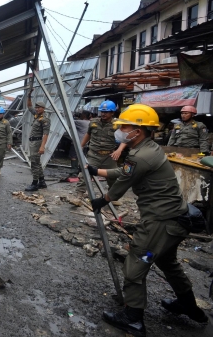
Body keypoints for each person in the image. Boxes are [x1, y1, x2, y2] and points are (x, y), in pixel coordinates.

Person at [86, 104, 208, 336]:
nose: (120, 130)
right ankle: (189, 306)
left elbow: (120, 186)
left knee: (135, 264)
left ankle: (133, 318)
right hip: (175, 217)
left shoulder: (141, 156)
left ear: (138, 131)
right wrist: (97, 171)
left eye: (124, 126)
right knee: (167, 263)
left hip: (161, 221)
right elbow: (126, 173)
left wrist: (103, 200)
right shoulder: (148, 149)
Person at [79, 100, 125, 190]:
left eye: (106, 112)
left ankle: (112, 197)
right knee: (85, 174)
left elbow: (125, 139)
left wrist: (119, 150)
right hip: (93, 154)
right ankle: (79, 194)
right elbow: (88, 134)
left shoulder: (117, 125)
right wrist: (81, 146)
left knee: (113, 177)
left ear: (112, 113)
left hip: (109, 156)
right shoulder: (93, 122)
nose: (103, 114)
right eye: (102, 111)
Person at [24, 95, 50, 192]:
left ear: (43, 108)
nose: (37, 109)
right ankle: (42, 182)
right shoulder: (37, 115)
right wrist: (29, 96)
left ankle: (35, 183)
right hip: (33, 142)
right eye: (36, 107)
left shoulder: (45, 119)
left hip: (37, 142)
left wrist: (42, 147)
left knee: (34, 163)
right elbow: (29, 106)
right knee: (37, 162)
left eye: (39, 107)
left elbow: (46, 134)